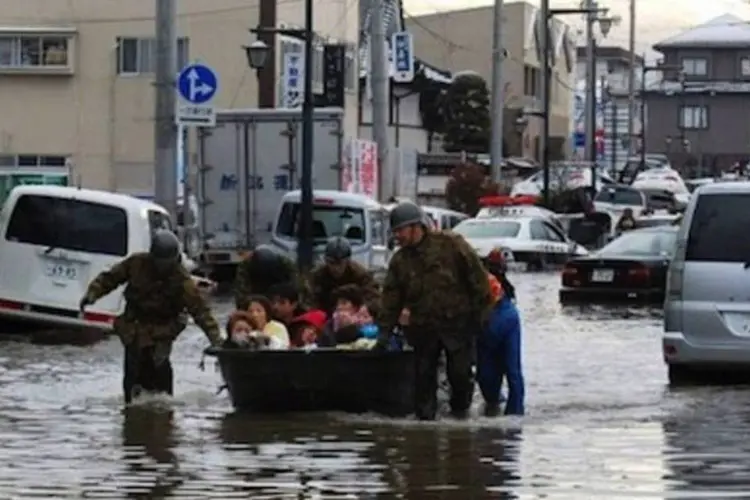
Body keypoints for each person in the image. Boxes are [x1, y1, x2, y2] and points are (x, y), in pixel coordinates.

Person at [79, 229, 222, 404]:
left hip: (164, 327)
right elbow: (110, 278)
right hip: (135, 324)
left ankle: (164, 409)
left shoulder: (182, 280)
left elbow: (201, 312)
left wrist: (216, 340)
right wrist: (92, 294)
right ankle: (131, 409)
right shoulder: (136, 264)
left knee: (160, 365)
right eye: (159, 263)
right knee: (133, 368)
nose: (162, 268)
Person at [378, 201, 492, 420]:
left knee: (459, 376)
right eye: (395, 232)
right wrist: (384, 333)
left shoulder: (451, 245)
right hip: (423, 329)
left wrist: (481, 317)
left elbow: (478, 281)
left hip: (457, 326)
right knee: (423, 380)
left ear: (415, 227)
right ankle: (425, 430)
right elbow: (391, 299)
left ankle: (460, 420)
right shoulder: (400, 261)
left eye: (400, 230)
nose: (397, 236)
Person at [476, 275, 525, 417]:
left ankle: (515, 413)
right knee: (486, 376)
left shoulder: (485, 280)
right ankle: (494, 405)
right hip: (485, 328)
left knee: (513, 371)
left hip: (503, 321)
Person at [310, 236, 379, 315]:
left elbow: (374, 300)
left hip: (354, 317)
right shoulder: (318, 275)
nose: (335, 268)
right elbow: (309, 301)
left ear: (348, 261)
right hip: (324, 316)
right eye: (331, 263)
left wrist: (361, 309)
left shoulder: (361, 275)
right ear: (325, 260)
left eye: (339, 263)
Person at [234, 245, 298, 310]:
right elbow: (241, 290)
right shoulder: (246, 265)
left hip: (278, 287)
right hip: (256, 289)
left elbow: (295, 285)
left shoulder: (285, 263)